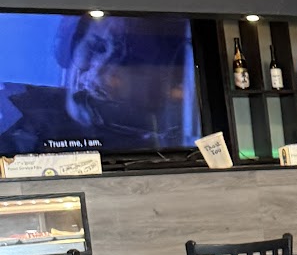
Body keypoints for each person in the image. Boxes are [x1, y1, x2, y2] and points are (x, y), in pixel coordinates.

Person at [0, 14, 197, 154]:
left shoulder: (169, 142)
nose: (102, 74)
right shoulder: (16, 113)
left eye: (127, 60)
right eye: (97, 47)